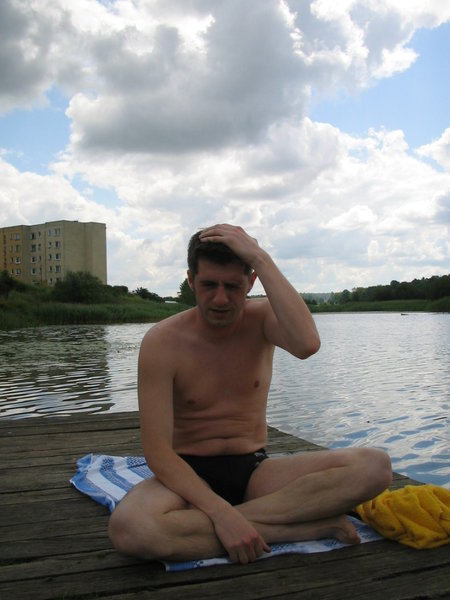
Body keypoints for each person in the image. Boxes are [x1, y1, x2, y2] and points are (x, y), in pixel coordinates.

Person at [108, 224, 392, 564]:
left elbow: (307, 344)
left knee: (375, 467)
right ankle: (291, 528)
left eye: (233, 286)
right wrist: (219, 512)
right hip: (187, 474)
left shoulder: (262, 319)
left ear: (252, 282)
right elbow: (157, 452)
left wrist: (260, 257)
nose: (221, 299)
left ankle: (238, 524)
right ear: (191, 280)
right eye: (209, 285)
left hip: (255, 471)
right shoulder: (162, 342)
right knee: (130, 528)